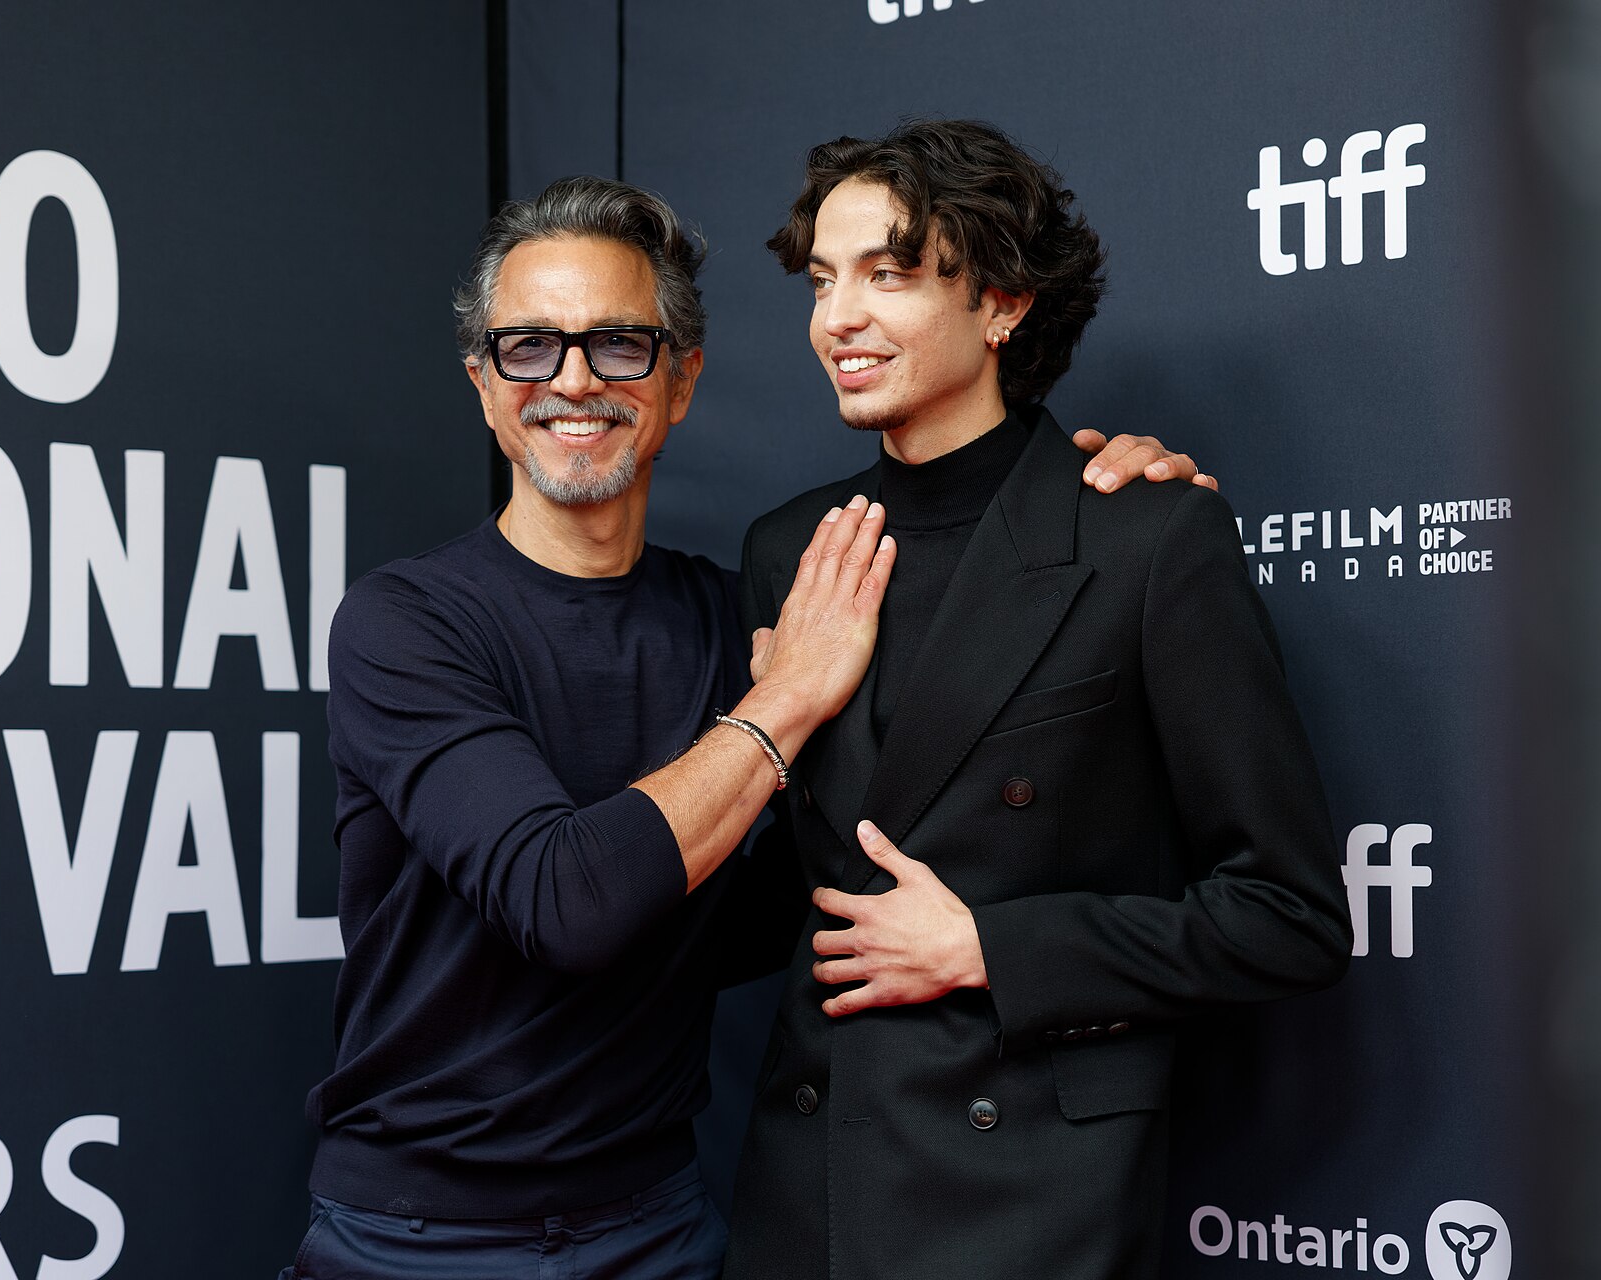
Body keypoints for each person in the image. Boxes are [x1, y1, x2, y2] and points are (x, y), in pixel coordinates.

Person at [280, 175, 1207, 1280]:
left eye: (621, 346)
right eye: (528, 348)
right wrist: (784, 701)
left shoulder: (754, 611)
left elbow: (799, 884)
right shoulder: (406, 623)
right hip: (421, 1239)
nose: (573, 381)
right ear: (484, 384)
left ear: (682, 380)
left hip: (663, 1226)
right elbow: (565, 900)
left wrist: (1096, 492)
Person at [721, 121, 1354, 1280]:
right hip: (802, 1193)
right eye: (822, 281)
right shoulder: (788, 552)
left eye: (890, 274)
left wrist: (991, 948)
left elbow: (1290, 915)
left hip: (1024, 1206)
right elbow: (795, 880)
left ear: (1003, 302)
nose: (837, 319)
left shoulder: (1147, 535)